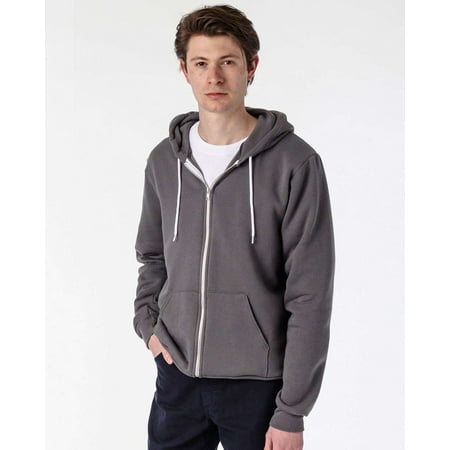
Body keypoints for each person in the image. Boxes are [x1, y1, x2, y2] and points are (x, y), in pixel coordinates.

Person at [133, 5, 335, 450]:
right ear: (185, 70)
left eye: (227, 61)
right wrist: (148, 325)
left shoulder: (295, 163)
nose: (214, 77)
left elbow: (310, 294)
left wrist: (292, 411)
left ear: (251, 66)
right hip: (177, 377)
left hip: (258, 387)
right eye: (201, 63)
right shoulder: (164, 161)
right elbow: (151, 256)